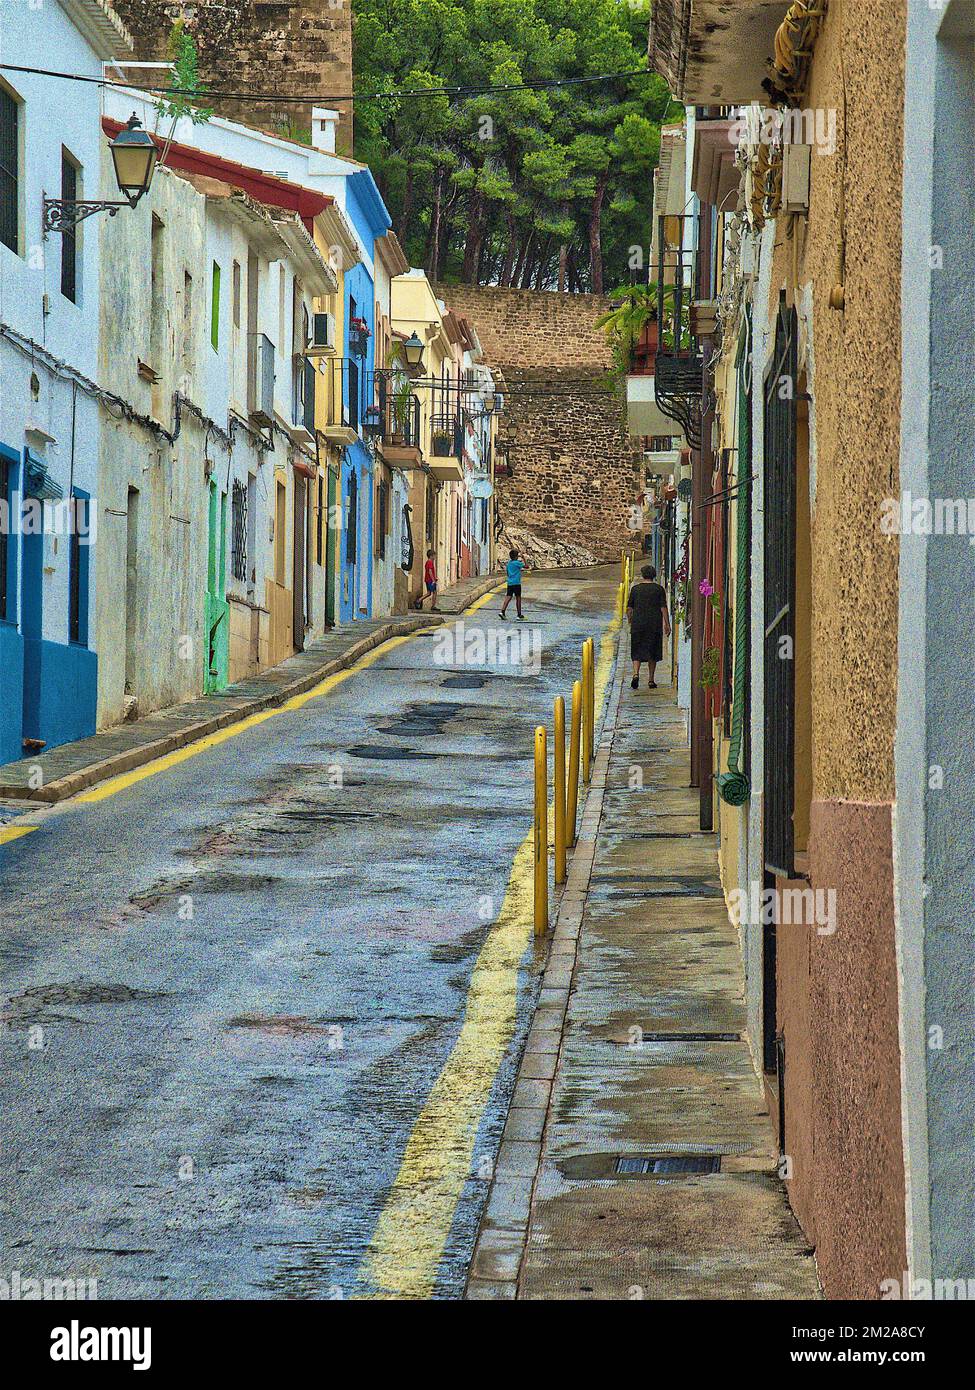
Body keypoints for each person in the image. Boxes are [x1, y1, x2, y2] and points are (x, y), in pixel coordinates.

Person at [626, 563, 670, 689]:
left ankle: (635, 674)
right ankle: (651, 680)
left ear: (642, 575)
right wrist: (667, 624)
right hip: (654, 625)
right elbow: (663, 608)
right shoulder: (659, 589)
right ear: (654, 575)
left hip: (638, 624)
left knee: (637, 650)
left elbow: (629, 608)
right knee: (653, 651)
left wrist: (630, 620)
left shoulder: (635, 589)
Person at [499, 548, 525, 619]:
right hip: (516, 583)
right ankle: (519, 615)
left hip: (510, 583)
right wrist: (524, 558)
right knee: (518, 598)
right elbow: (527, 566)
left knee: (508, 597)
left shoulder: (509, 563)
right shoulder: (517, 563)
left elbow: (507, 573)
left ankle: (502, 611)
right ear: (516, 556)